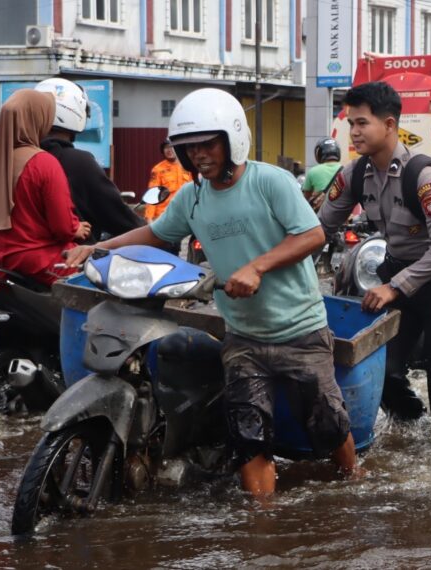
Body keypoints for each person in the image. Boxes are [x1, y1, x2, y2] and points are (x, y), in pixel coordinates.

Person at [63, 87, 359, 501]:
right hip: (243, 337)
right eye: (190, 148)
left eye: (208, 144)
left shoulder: (269, 181)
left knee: (327, 423)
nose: (199, 154)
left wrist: (257, 267)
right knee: (248, 434)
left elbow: (311, 234)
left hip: (300, 329)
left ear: (232, 140)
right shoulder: (191, 196)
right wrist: (99, 248)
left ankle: (355, 479)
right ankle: (263, 520)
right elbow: (156, 233)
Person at [318, 81, 431, 438]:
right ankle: (413, 432)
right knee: (380, 370)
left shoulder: (424, 175)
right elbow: (318, 229)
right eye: (350, 124)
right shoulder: (353, 174)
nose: (354, 132)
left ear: (390, 125)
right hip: (394, 280)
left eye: (362, 123)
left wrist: (394, 286)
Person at [0, 89, 89, 286]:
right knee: (90, 275)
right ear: (38, 120)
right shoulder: (44, 163)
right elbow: (62, 229)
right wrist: (75, 228)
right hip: (35, 265)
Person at [34, 78, 143, 241]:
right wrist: (159, 236)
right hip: (66, 260)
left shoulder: (12, 158)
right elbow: (119, 218)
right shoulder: (78, 162)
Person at [144, 140, 193, 221]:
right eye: (166, 148)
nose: (169, 150)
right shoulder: (158, 169)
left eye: (172, 147)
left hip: (184, 214)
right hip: (163, 216)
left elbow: (195, 191)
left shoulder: (187, 167)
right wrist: (149, 218)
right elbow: (152, 194)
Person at [301, 138, 344, 210]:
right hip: (341, 214)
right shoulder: (345, 170)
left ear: (319, 154)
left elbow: (305, 198)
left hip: (321, 215)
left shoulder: (313, 171)